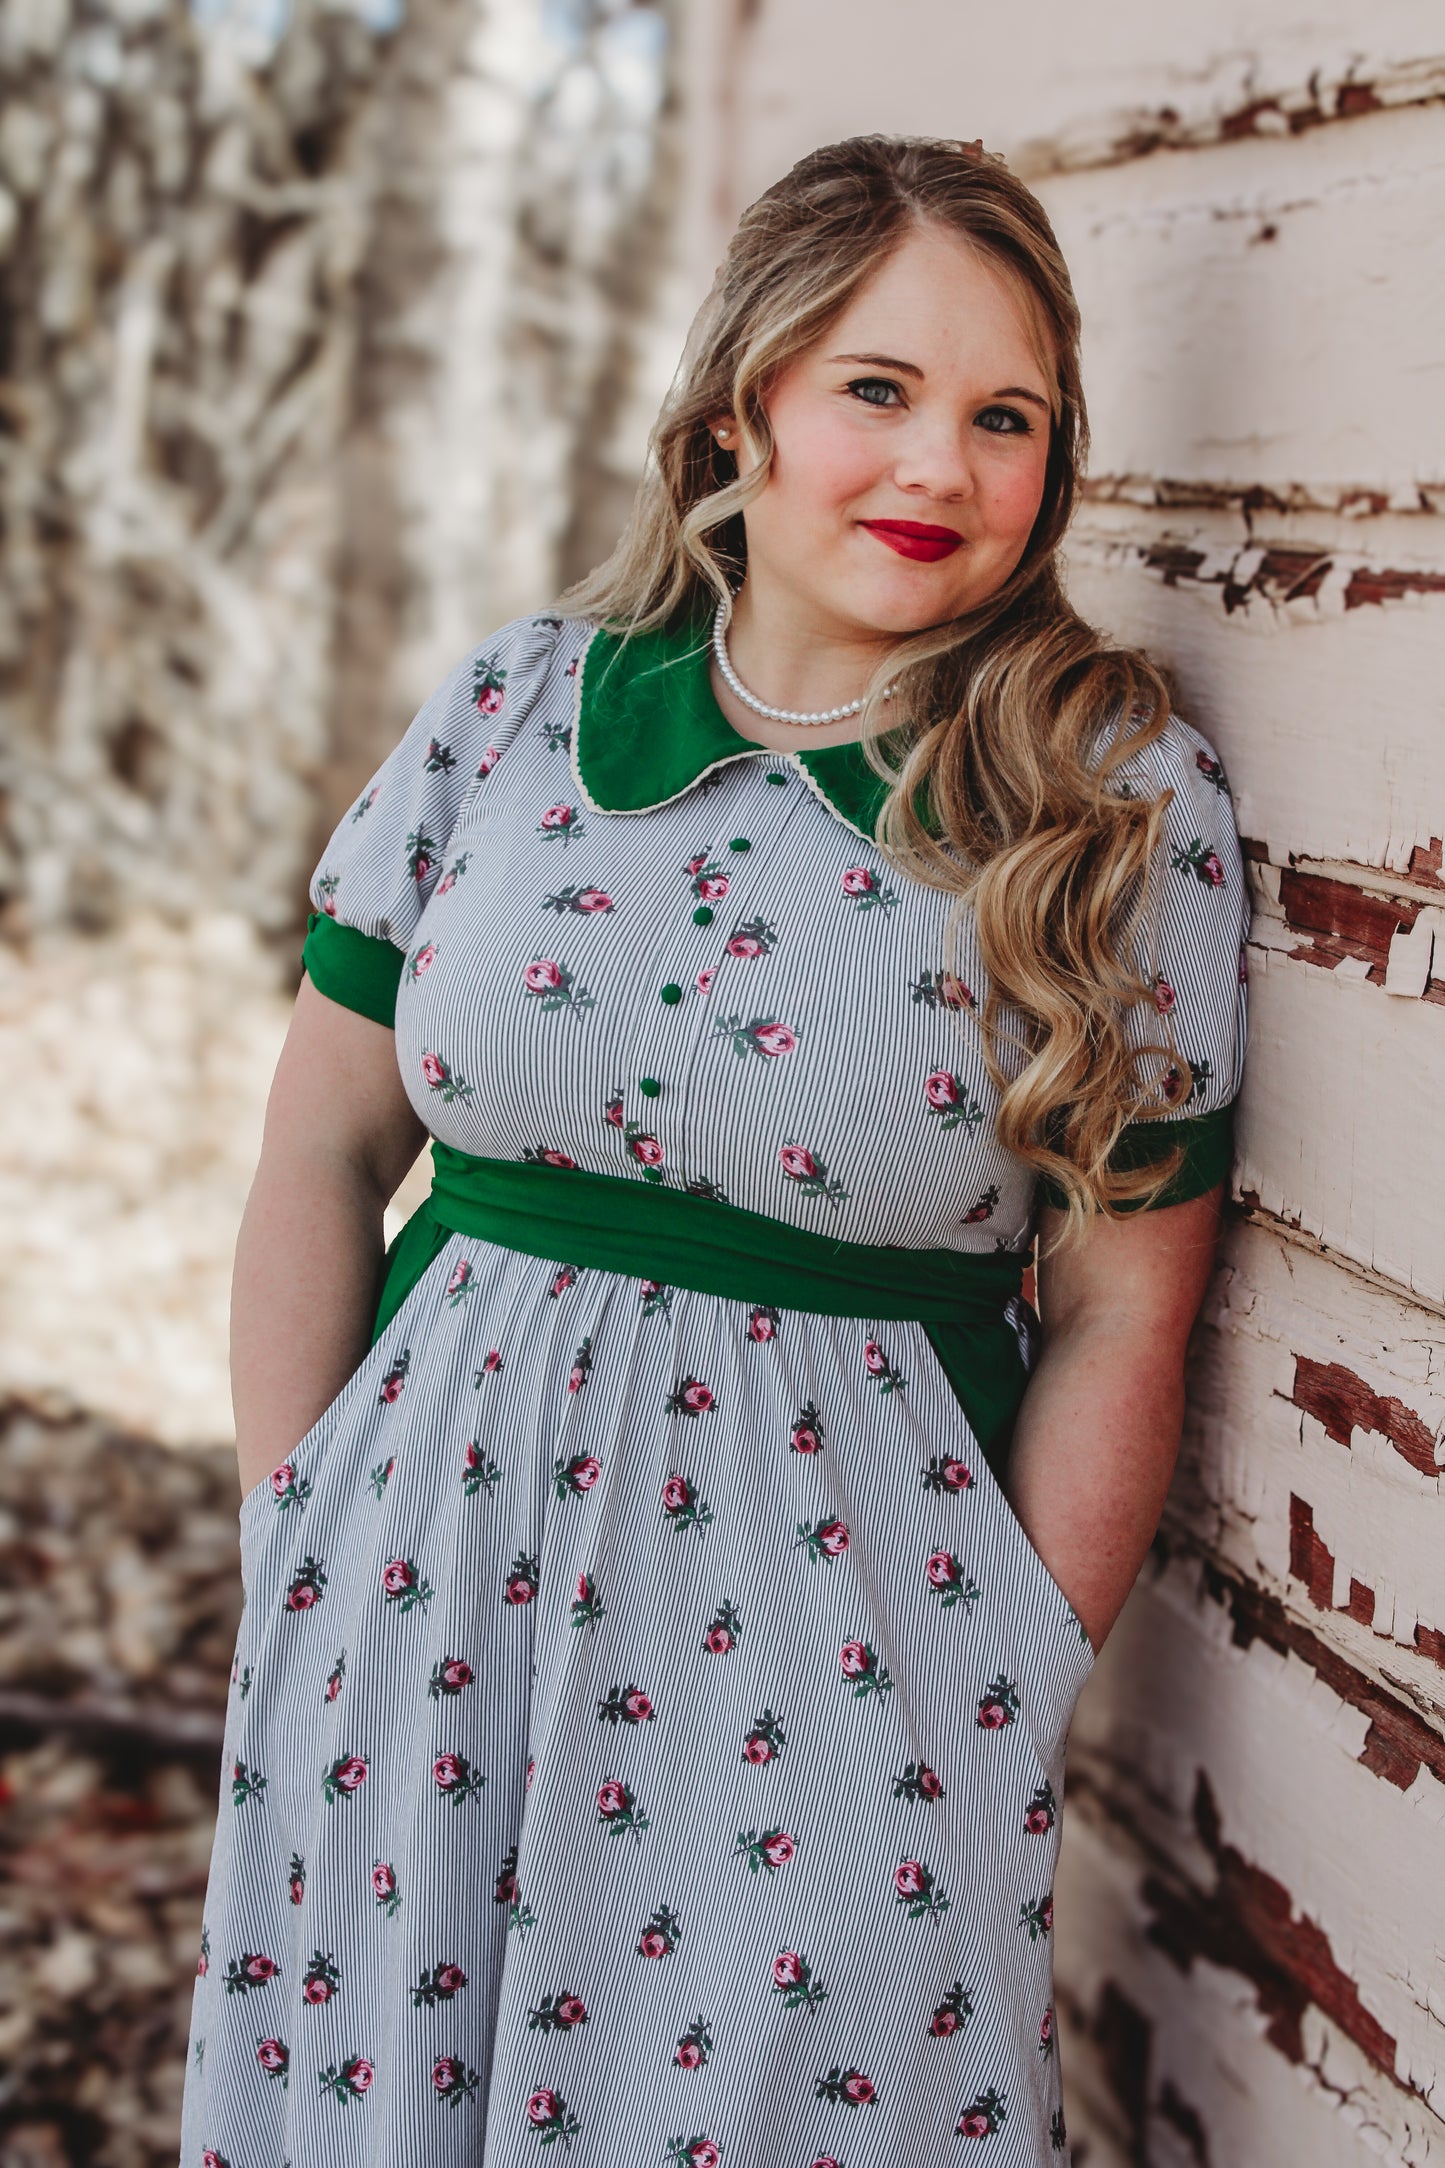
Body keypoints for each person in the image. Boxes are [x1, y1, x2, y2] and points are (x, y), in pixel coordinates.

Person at [182, 133, 1249, 2168]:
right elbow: (318, 1150)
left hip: (849, 1674)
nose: (942, 467)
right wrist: (292, 1520)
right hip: (415, 1609)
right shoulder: (514, 713)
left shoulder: (1103, 801)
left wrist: (1005, 1669)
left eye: (1004, 415)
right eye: (880, 390)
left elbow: (1129, 1302)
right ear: (742, 407)